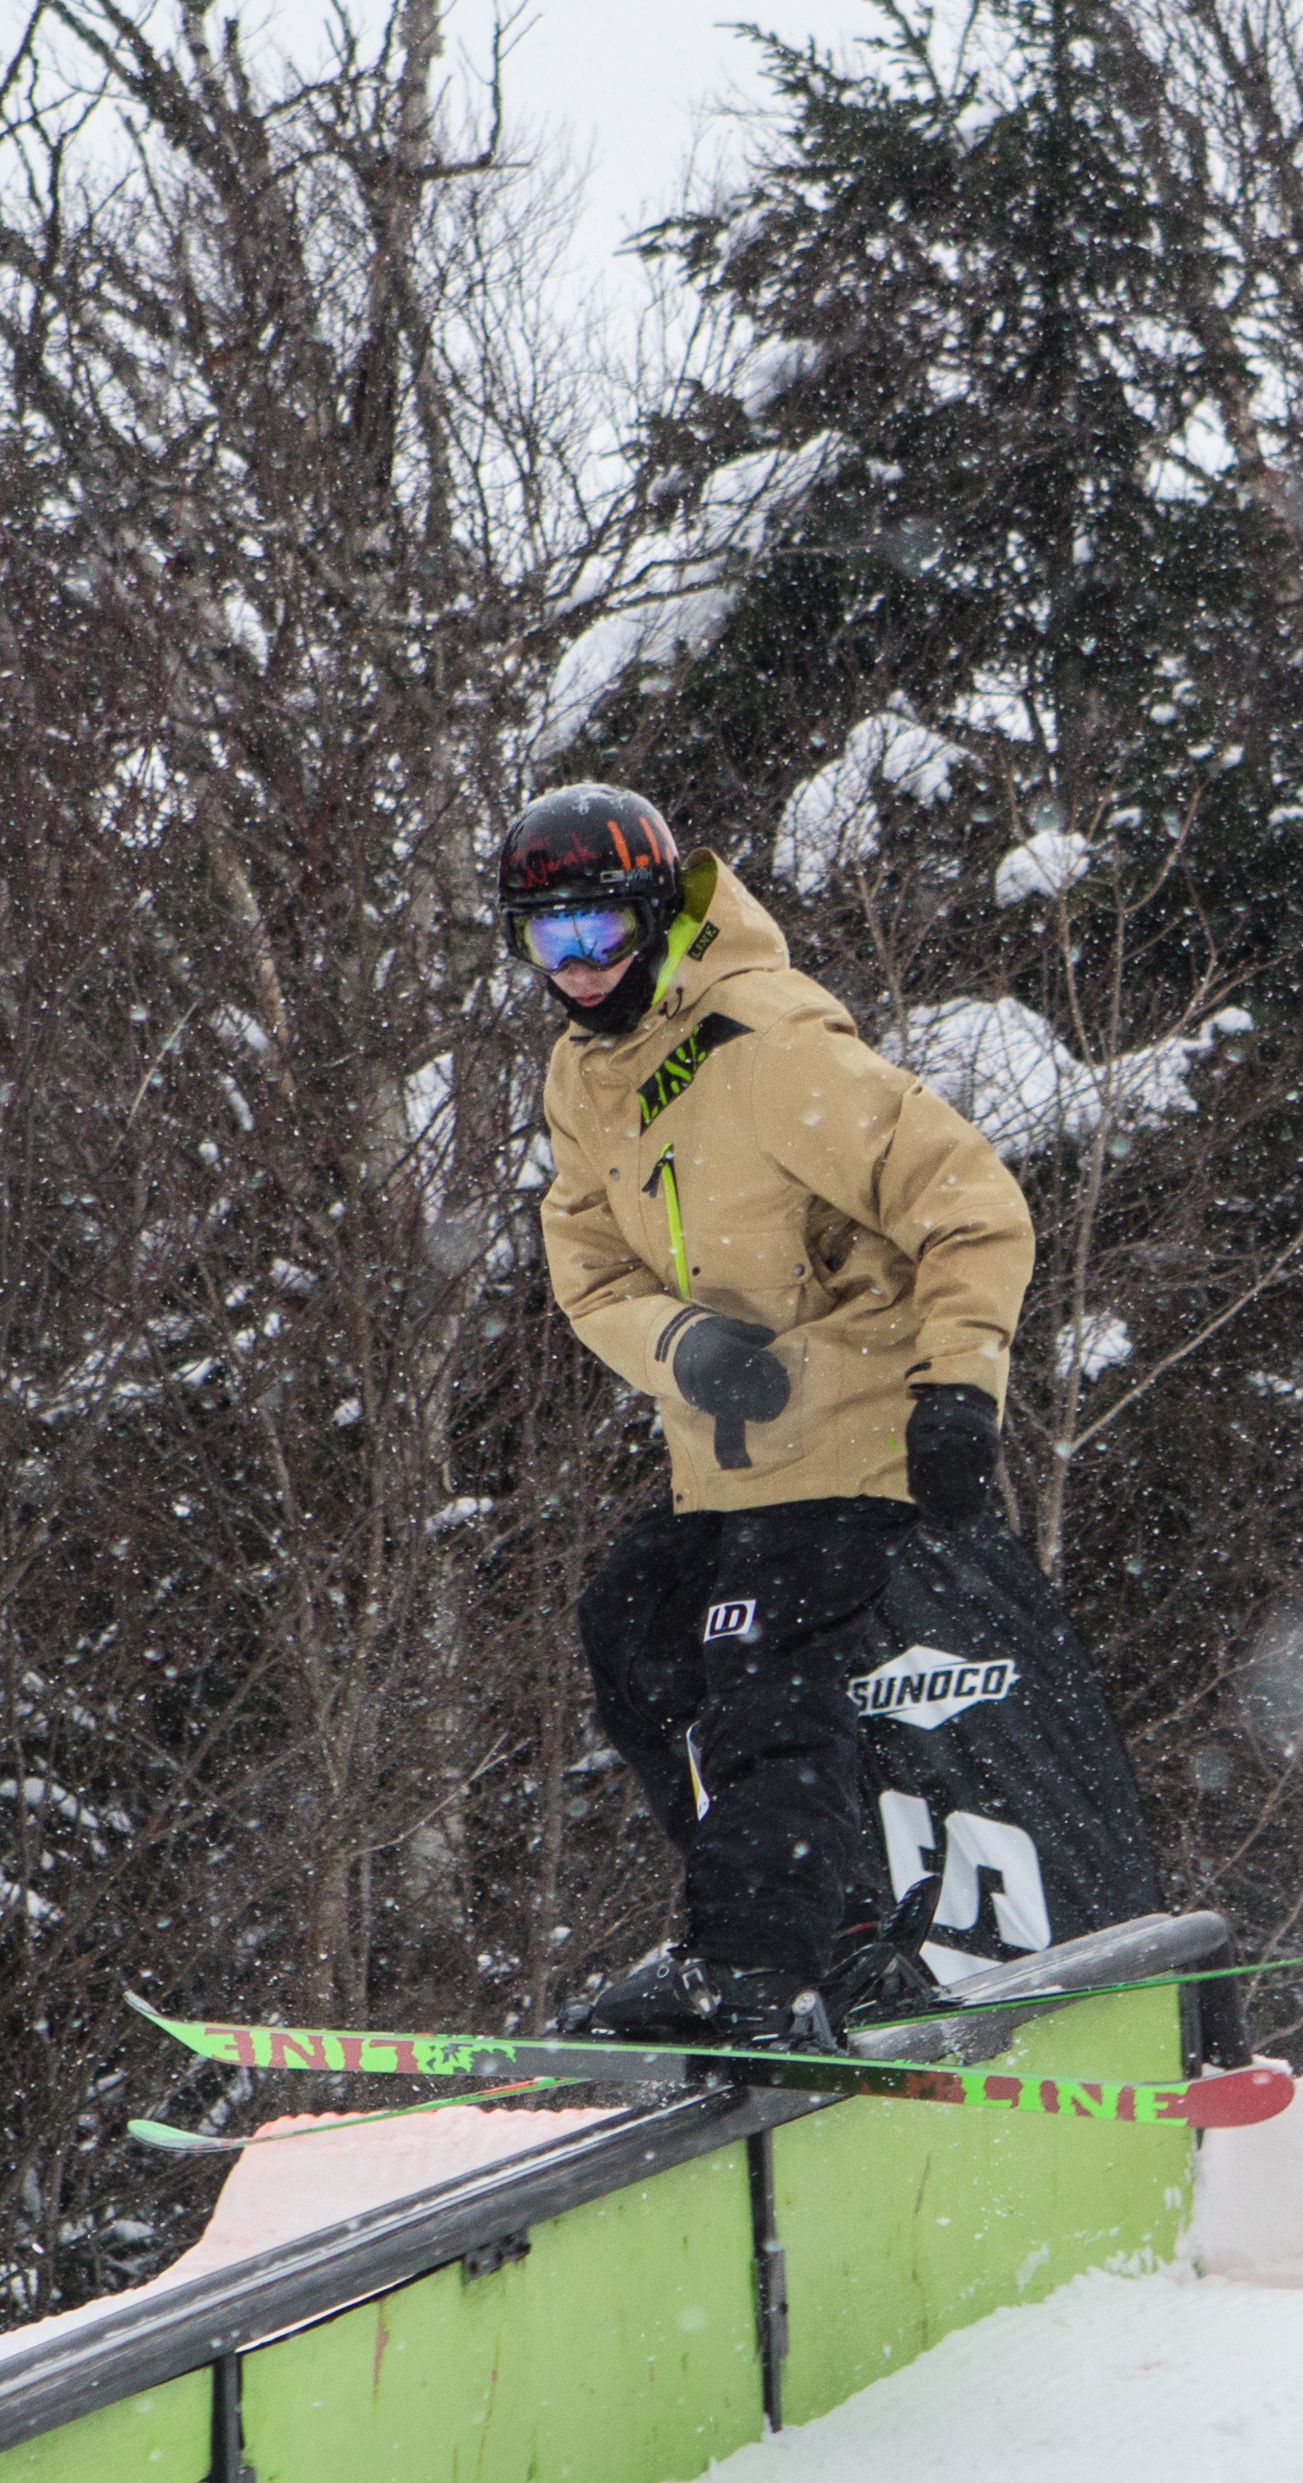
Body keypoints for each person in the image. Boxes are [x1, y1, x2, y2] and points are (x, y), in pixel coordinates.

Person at [506, 783, 1033, 2048]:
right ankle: (842, 1936)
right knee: (634, 1634)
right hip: (732, 1456)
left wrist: (962, 1386)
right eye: (547, 940)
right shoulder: (589, 1078)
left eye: (600, 934)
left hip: (859, 1426)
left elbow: (972, 1199)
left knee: (760, 1674)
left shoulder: (770, 1045)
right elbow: (584, 1271)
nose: (578, 970)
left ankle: (752, 1965)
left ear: (660, 913)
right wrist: (683, 1345)